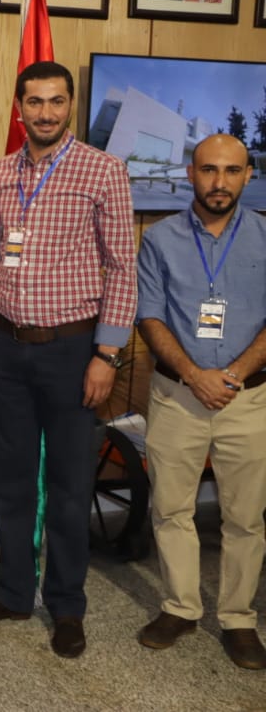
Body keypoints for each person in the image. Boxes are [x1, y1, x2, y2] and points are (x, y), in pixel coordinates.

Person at [0, 61, 136, 659]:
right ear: (19, 107)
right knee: (9, 481)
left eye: (56, 101)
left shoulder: (103, 170)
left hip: (73, 352)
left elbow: (123, 269)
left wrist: (107, 353)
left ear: (71, 104)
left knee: (68, 486)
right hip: (8, 349)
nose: (46, 113)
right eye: (34, 102)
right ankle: (11, 594)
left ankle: (66, 606)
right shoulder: (0, 174)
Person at [134, 134, 266, 670]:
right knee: (170, 509)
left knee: (246, 518)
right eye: (209, 169)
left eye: (232, 171)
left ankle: (238, 619)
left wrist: (231, 375)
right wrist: (194, 375)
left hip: (249, 400)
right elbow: (149, 315)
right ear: (190, 173)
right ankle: (180, 608)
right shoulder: (159, 239)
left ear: (248, 175)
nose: (219, 182)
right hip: (176, 396)